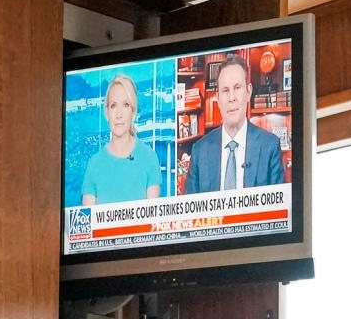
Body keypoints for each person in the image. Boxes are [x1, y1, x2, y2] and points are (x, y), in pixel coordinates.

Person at [185, 53, 285, 194]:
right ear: (218, 98)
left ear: (248, 92)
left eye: (237, 88)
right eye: (225, 90)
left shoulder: (269, 146)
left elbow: (279, 210)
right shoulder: (200, 151)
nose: (232, 98)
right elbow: (191, 213)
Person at [80, 73, 161, 205]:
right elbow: (89, 222)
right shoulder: (94, 164)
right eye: (113, 106)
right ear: (107, 113)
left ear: (133, 113)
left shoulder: (149, 157)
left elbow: (153, 221)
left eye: (126, 105)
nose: (119, 114)